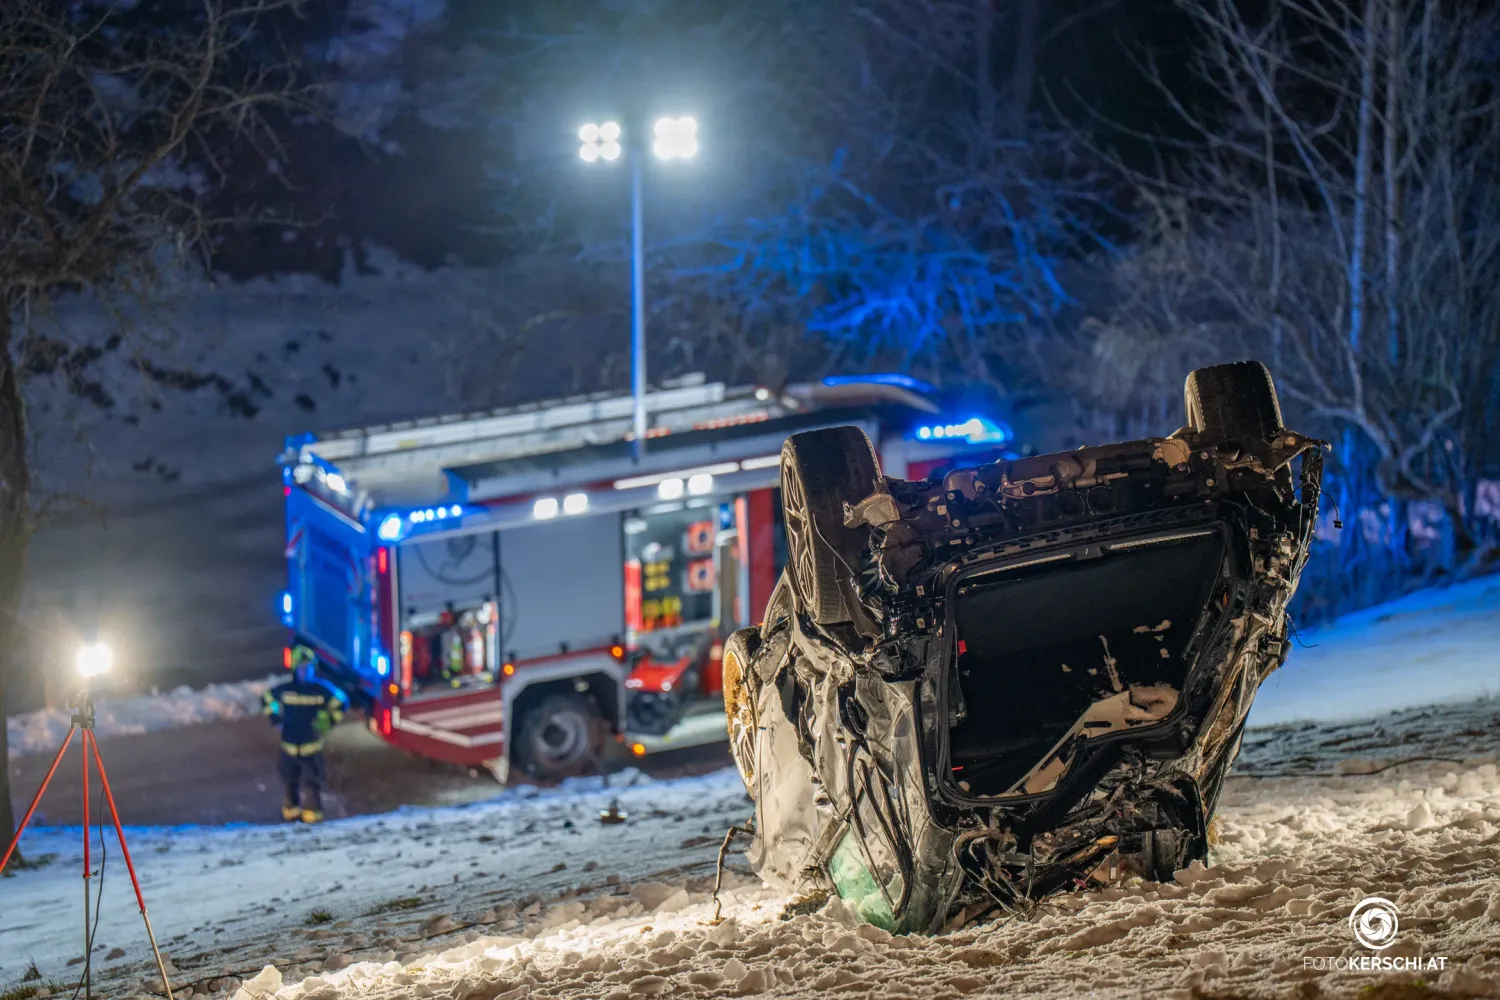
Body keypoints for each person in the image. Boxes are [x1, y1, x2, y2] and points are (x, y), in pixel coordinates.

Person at [262, 645, 349, 823]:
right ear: (294, 669)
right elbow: (266, 699)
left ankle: (313, 814)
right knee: (289, 782)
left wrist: (328, 722)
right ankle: (290, 814)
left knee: (312, 782)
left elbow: (341, 702)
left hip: (311, 747)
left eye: (308, 668)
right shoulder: (285, 690)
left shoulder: (321, 690)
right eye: (301, 668)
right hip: (289, 746)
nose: (305, 672)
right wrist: (275, 719)